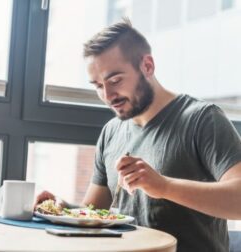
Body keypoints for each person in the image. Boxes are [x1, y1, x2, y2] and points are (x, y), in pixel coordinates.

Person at [35, 18, 241, 251]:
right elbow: (94, 213)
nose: (108, 95)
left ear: (148, 66)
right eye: (98, 85)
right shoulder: (112, 131)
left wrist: (164, 186)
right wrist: (63, 210)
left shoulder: (202, 119)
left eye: (115, 80)